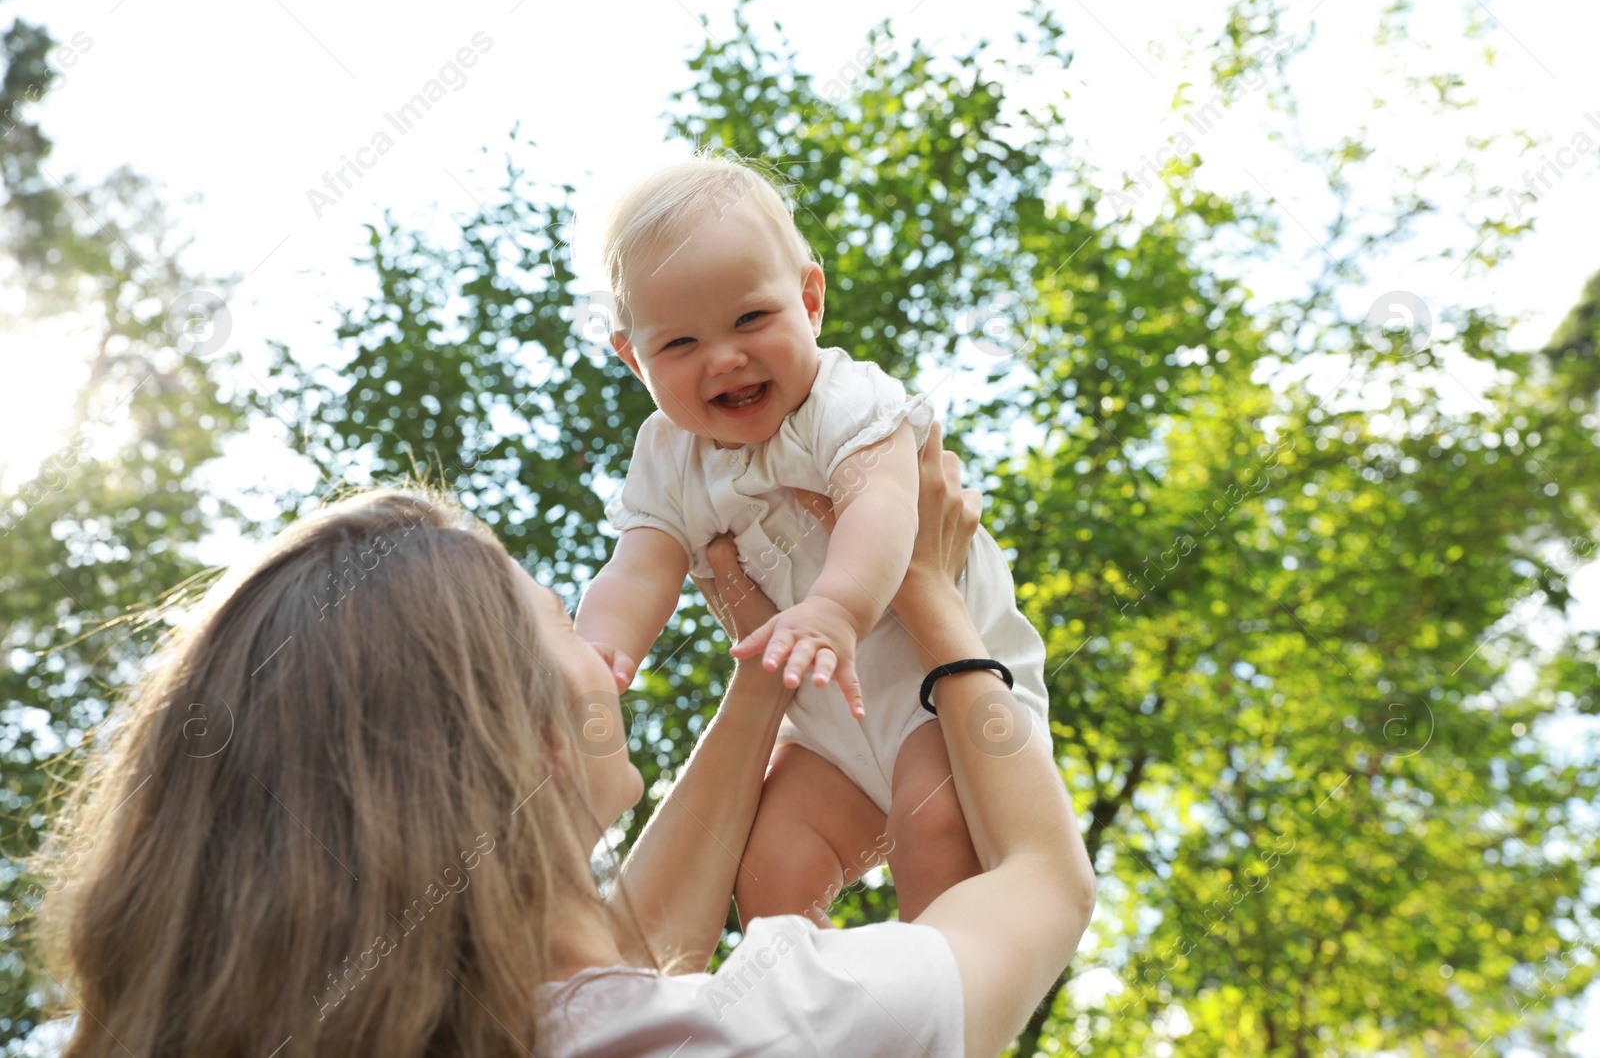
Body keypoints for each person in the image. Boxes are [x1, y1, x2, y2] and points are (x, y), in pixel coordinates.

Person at [32, 419, 1094, 1057]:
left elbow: (620, 952)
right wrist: (924, 588)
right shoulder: (762, 1032)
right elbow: (1044, 883)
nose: (605, 652)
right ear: (522, 738)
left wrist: (773, 671)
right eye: (562, 623)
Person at [573, 151, 1050, 924]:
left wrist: (834, 607)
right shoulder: (666, 455)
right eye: (679, 345)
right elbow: (638, 568)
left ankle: (937, 1012)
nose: (724, 357)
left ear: (809, 299)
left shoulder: (844, 398)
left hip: (945, 693)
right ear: (633, 357)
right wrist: (597, 649)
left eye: (750, 319)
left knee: (939, 829)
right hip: (829, 728)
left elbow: (882, 505)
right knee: (768, 871)